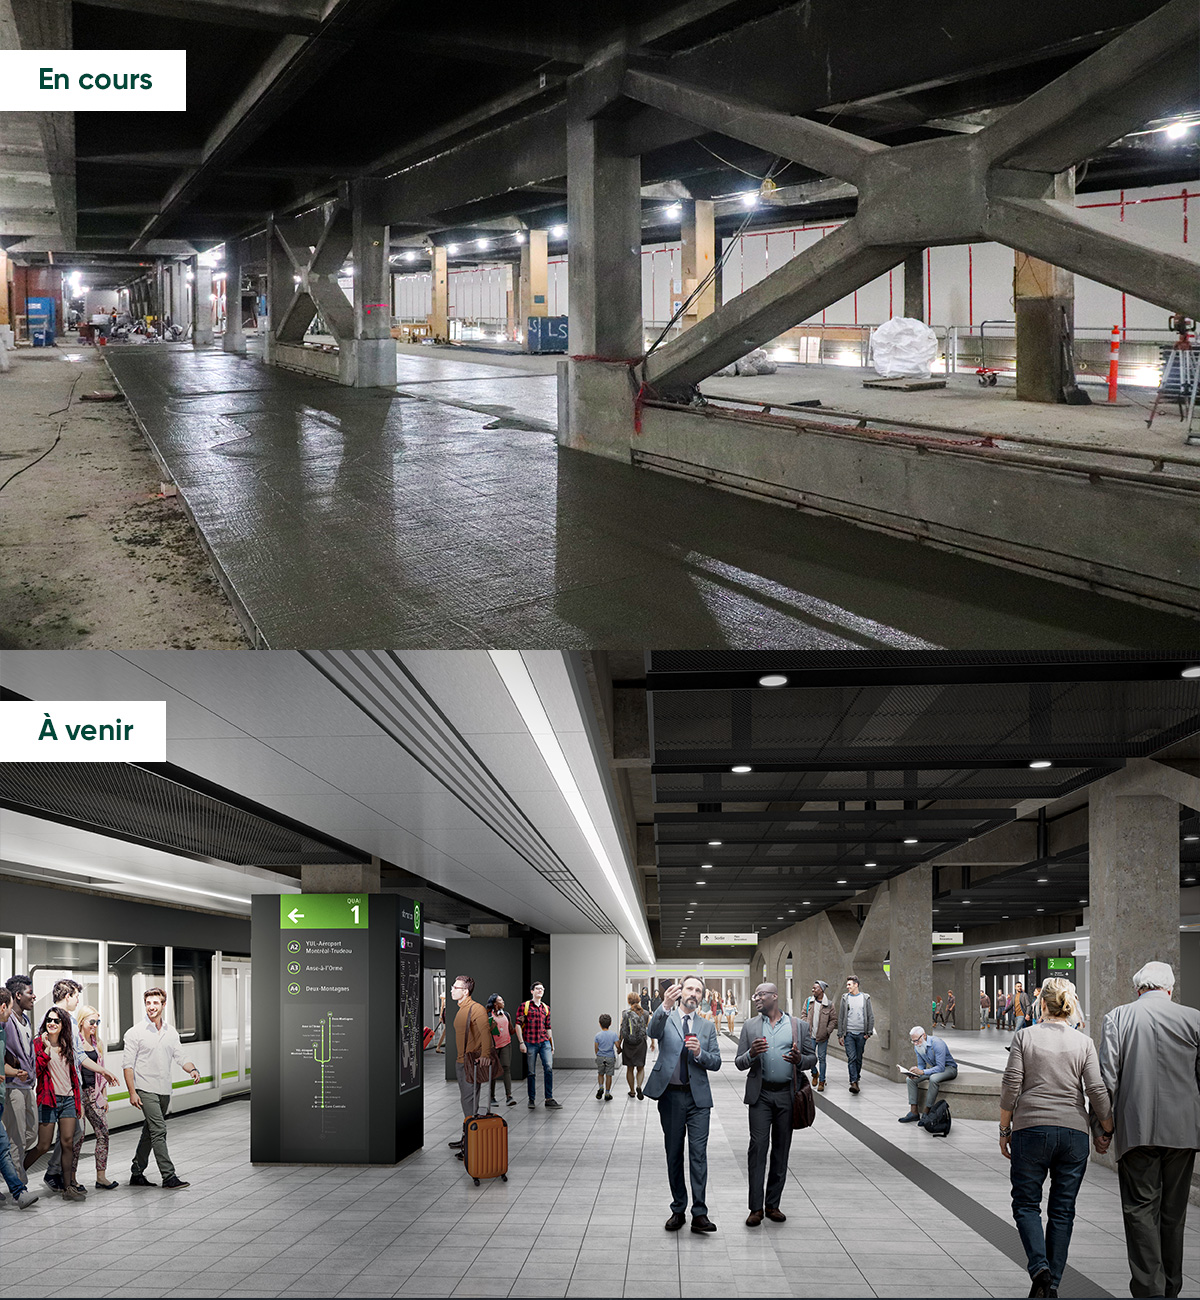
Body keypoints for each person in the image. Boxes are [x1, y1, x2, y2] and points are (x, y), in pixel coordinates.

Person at [1000, 977, 1113, 1299]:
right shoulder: (1084, 1042)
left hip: (1031, 1130)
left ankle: (1040, 1268)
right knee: (1063, 1210)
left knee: (1026, 1204)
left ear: (1042, 1004)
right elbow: (1096, 1091)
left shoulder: (1025, 1037)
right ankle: (1053, 1285)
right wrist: (1106, 1127)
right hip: (1074, 1133)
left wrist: (1004, 1129)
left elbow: (1011, 1086)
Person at [1100, 960, 1200, 1300]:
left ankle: (1149, 1291)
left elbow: (1106, 1079)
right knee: (1174, 1212)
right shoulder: (1195, 1019)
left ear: (1138, 988)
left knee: (1141, 1209)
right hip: (1184, 1131)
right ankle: (1171, 1289)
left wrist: (1102, 1126)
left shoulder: (1118, 1017)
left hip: (1136, 1128)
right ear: (1170, 990)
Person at [644, 974, 722, 1233]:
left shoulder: (707, 1027)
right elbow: (651, 1032)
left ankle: (700, 1213)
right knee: (674, 1153)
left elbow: (717, 1062)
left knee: (698, 1155)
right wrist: (663, 1006)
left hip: (698, 1099)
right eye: (690, 988)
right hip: (671, 1097)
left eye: (698, 991)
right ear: (680, 991)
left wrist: (700, 1053)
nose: (694, 994)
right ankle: (678, 1209)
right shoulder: (666, 1018)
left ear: (702, 996)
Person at [736, 981, 815, 1226]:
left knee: (781, 1150)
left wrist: (800, 1059)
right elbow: (739, 1062)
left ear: (774, 996)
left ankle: (773, 1205)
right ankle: (755, 1208)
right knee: (757, 1149)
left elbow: (812, 1059)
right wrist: (752, 1054)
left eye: (761, 995)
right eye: (755, 995)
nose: (756, 999)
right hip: (760, 1096)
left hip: (787, 1096)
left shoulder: (798, 1026)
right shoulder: (750, 1026)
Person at [123, 987, 200, 1190]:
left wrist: (192, 1069)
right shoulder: (135, 1033)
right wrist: (132, 1092)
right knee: (159, 1130)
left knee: (149, 1131)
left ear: (163, 1005)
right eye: (148, 1003)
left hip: (164, 1088)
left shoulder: (170, 1031)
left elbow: (180, 1056)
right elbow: (127, 1065)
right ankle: (169, 1176)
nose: (151, 1007)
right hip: (145, 1088)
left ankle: (136, 1172)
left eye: (156, 1003)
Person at [25, 1006, 84, 1201]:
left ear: (63, 1025)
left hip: (68, 1099)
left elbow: (73, 1075)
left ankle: (68, 1188)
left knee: (67, 1143)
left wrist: (78, 1102)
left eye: (56, 1021)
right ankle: (16, 1177)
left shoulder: (68, 1045)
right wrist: (47, 1050)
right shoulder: (37, 1044)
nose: (52, 1023)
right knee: (43, 1145)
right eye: (49, 1020)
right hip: (49, 1100)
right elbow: (36, 1071)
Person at [45, 978, 84, 1193]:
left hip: (69, 1088)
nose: (78, 1001)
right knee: (68, 1135)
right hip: (58, 1091)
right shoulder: (57, 1018)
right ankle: (53, 1172)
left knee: (72, 1134)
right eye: (76, 996)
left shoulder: (68, 1019)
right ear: (68, 996)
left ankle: (59, 1175)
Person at [74, 1006, 120, 1189]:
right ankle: (72, 1178)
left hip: (93, 1093)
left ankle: (101, 1177)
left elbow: (101, 1075)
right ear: (82, 1022)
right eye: (91, 1022)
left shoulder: (96, 1043)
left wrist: (104, 1096)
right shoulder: (74, 1042)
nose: (94, 1025)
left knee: (103, 1133)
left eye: (97, 1022)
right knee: (78, 1137)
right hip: (77, 1094)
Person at [0, 989, 38, 1208]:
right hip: (11, 1090)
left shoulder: (3, 1031)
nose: (33, 997)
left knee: (19, 1138)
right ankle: (19, 1190)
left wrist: (15, 1072)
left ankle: (18, 1189)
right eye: (29, 993)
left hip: (17, 1085)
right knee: (7, 1144)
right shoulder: (6, 1026)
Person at [447, 975, 492, 1157]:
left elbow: (485, 1032)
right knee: (467, 1102)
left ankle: (472, 1145)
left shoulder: (477, 1009)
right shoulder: (462, 1009)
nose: (452, 990)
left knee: (470, 1103)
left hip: (470, 1063)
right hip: (461, 1061)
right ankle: (467, 1138)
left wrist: (485, 1055)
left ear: (465, 991)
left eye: (455, 987)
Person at [898, 1025, 958, 1126]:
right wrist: (915, 1072)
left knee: (933, 1078)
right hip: (935, 1068)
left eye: (917, 1040)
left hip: (949, 1068)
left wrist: (923, 1072)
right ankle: (914, 1112)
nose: (915, 1043)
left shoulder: (937, 1043)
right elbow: (922, 1065)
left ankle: (927, 1111)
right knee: (910, 1080)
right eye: (913, 1041)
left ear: (924, 1035)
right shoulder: (918, 1046)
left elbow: (940, 1067)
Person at [515, 981, 560, 1109]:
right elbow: (518, 1025)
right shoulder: (525, 1006)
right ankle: (531, 1099)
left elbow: (548, 1027)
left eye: (542, 989)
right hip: (530, 1042)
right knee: (531, 1072)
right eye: (537, 989)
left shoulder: (546, 1008)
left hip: (544, 1042)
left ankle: (549, 1098)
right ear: (532, 991)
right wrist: (521, 1042)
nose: (540, 991)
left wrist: (552, 1044)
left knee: (549, 1069)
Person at [837, 975, 875, 1094]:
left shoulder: (865, 998)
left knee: (858, 1058)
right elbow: (841, 1017)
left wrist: (868, 1033)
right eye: (847, 984)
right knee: (851, 1058)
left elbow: (870, 1016)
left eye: (849, 984)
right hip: (849, 1034)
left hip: (861, 1034)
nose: (847, 987)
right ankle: (853, 1082)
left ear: (856, 985)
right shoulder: (845, 998)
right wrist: (840, 1034)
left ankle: (856, 1078)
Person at [484, 994, 516, 1108]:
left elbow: (511, 1030)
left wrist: (519, 1024)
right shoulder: (487, 1015)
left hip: (506, 1044)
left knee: (506, 1067)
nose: (503, 1001)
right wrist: (491, 1027)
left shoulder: (506, 1014)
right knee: (493, 1071)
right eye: (500, 1000)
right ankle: (492, 1097)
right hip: (493, 1047)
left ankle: (509, 1096)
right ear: (495, 1004)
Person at [803, 980, 835, 1093]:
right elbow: (803, 1014)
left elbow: (833, 1020)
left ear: (821, 990)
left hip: (822, 1037)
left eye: (815, 988)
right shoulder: (808, 1001)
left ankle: (822, 1081)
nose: (813, 990)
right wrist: (805, 1025)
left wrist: (827, 1031)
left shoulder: (829, 1004)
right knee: (809, 1057)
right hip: (810, 1035)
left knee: (822, 1059)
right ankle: (815, 1073)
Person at [618, 992, 648, 1099]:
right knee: (640, 1068)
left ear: (628, 1001)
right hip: (641, 1044)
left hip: (628, 1043)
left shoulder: (625, 1013)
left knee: (630, 1068)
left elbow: (622, 1031)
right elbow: (646, 1029)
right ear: (639, 1000)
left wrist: (619, 1046)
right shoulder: (645, 1013)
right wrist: (653, 1043)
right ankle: (639, 1086)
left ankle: (632, 1091)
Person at [595, 1014, 618, 1100]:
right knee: (609, 1075)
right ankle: (607, 1093)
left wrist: (598, 1055)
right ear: (610, 1023)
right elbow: (617, 1045)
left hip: (601, 1056)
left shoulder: (598, 1035)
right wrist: (619, 1050)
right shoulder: (613, 1034)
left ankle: (601, 1087)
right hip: (610, 1057)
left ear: (599, 1024)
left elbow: (596, 1048)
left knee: (600, 1074)